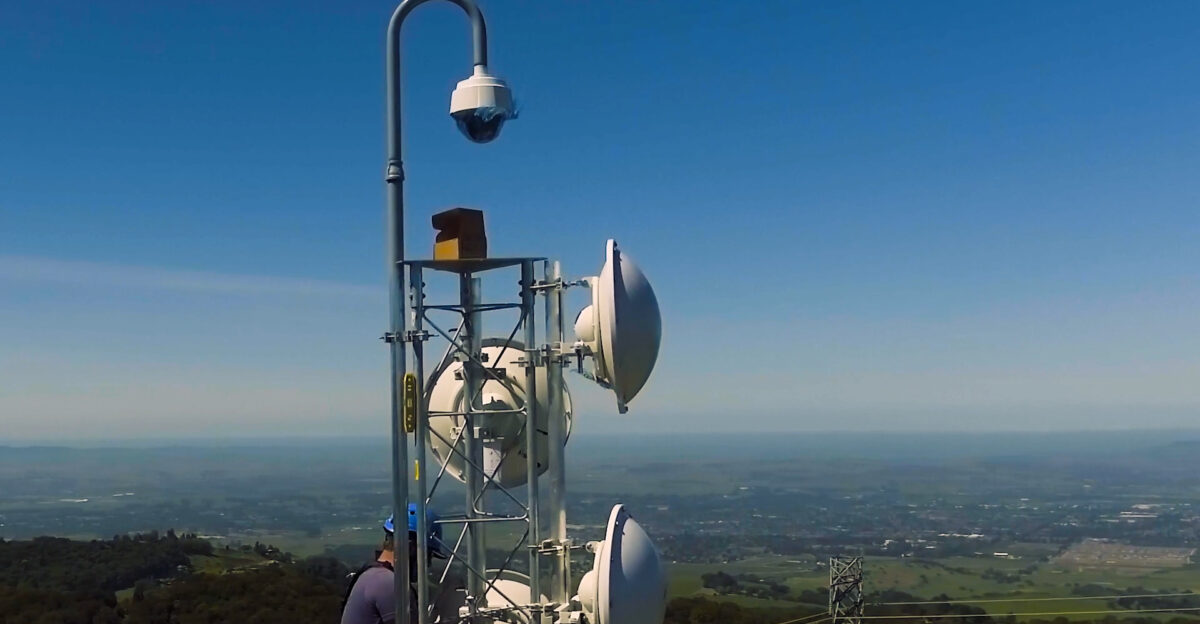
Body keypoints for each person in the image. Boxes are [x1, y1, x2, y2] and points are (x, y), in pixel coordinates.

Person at [341, 504, 445, 624]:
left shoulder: (373, 576)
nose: (428, 564)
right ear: (410, 547)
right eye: (428, 555)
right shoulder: (390, 584)